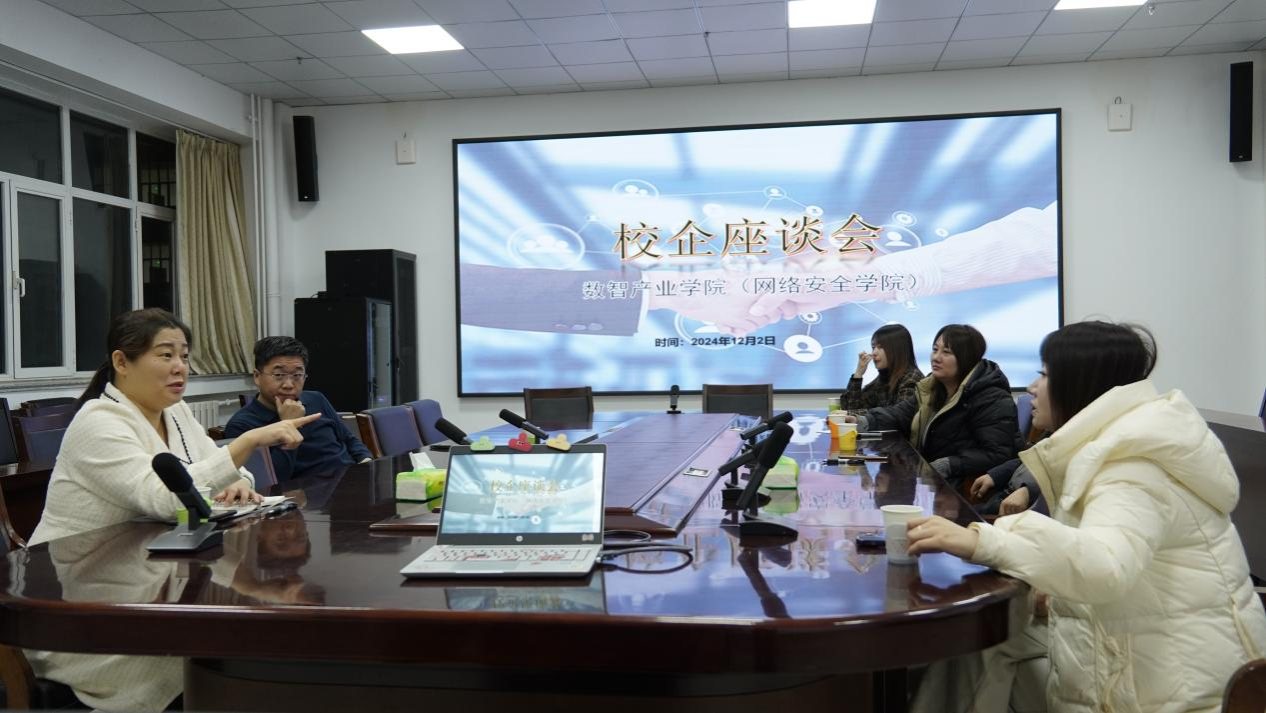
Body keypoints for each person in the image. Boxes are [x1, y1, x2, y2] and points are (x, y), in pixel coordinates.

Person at [907, 321, 1266, 712]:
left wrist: (984, 540)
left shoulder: (1131, 465)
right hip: (1144, 641)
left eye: (1044, 375)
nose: (1032, 388)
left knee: (984, 639)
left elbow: (1104, 566)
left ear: (1078, 386)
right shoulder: (1119, 445)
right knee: (984, 636)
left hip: (1178, 688)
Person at [27, 308, 317, 711]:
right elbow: (166, 497)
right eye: (165, 355)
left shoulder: (175, 412)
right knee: (234, 661)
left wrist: (238, 481)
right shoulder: (98, 422)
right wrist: (248, 442)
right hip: (87, 612)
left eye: (184, 355)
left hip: (151, 581)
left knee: (250, 654)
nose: (180, 367)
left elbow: (226, 472)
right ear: (121, 362)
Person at [848, 324, 1021, 488]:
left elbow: (998, 453)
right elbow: (900, 414)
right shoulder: (932, 387)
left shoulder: (991, 397)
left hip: (962, 486)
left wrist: (948, 464)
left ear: (966, 358)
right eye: (935, 349)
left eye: (946, 352)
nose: (936, 357)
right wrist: (863, 422)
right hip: (931, 479)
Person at [225, 336, 373, 481]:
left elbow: (348, 439)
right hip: (305, 491)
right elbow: (270, 481)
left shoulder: (316, 398)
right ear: (257, 376)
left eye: (297, 375)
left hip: (349, 479)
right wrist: (289, 424)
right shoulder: (242, 424)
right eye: (279, 375)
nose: (289, 385)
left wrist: (366, 461)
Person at [839, 323, 924, 411]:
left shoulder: (911, 378)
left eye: (880, 347)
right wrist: (858, 373)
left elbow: (898, 415)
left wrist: (862, 416)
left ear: (897, 350)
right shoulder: (883, 379)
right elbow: (849, 409)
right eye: (873, 347)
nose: (874, 353)